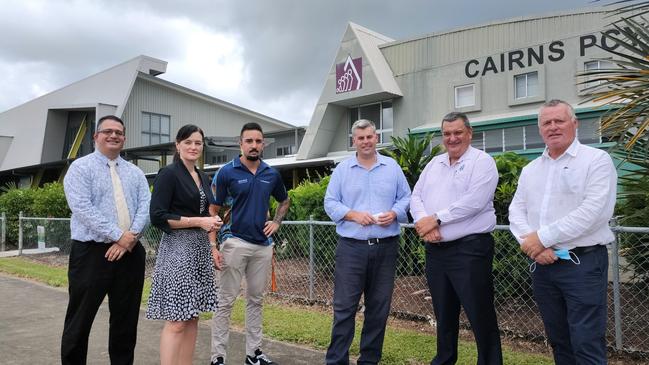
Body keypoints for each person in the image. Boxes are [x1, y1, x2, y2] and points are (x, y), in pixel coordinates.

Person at [509, 99, 617, 364]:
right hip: (543, 266)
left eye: (559, 120)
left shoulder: (597, 161)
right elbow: (516, 212)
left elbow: (593, 213)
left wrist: (542, 238)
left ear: (574, 123)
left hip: (582, 265)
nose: (553, 127)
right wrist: (535, 247)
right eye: (547, 122)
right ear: (540, 128)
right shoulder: (531, 169)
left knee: (586, 341)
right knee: (559, 341)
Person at [411, 112, 503, 365]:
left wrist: (437, 218)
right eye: (447, 134)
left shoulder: (482, 162)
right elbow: (416, 197)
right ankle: (444, 359)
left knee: (480, 314)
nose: (452, 138)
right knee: (443, 313)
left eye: (458, 132)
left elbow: (474, 202)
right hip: (436, 250)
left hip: (470, 250)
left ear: (469, 133)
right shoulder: (434, 164)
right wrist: (425, 223)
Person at [61, 115, 150, 365]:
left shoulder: (135, 173)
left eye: (119, 132)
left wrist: (129, 239)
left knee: (125, 321)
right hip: (90, 254)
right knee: (79, 320)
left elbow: (145, 206)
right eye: (108, 131)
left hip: (130, 254)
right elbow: (82, 207)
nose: (114, 136)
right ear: (96, 136)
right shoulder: (80, 168)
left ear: (124, 138)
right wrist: (119, 236)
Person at [323, 119, 411, 365]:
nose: (365, 141)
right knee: (344, 309)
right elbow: (330, 202)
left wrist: (394, 213)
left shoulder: (392, 167)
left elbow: (406, 198)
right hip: (352, 249)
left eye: (369, 137)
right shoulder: (342, 170)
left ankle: (369, 361)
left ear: (376, 138)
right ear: (354, 141)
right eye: (360, 138)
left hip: (386, 248)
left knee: (378, 310)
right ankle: (336, 361)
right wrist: (353, 214)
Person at [210, 122, 290, 365]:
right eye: (249, 141)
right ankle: (218, 358)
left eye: (258, 141)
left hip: (263, 246)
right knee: (225, 302)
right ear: (240, 143)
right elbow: (213, 209)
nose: (254, 145)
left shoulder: (271, 173)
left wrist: (276, 222)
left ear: (263, 144)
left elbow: (285, 200)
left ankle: (253, 354)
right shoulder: (227, 172)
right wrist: (213, 246)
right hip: (234, 242)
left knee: (256, 300)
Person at [147, 124, 223, 365]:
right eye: (188, 142)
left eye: (198, 143)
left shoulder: (203, 176)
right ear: (177, 144)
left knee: (192, 317)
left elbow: (207, 213)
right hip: (178, 250)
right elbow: (157, 215)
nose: (193, 147)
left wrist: (212, 237)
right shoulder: (168, 174)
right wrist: (198, 221)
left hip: (200, 249)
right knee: (177, 320)